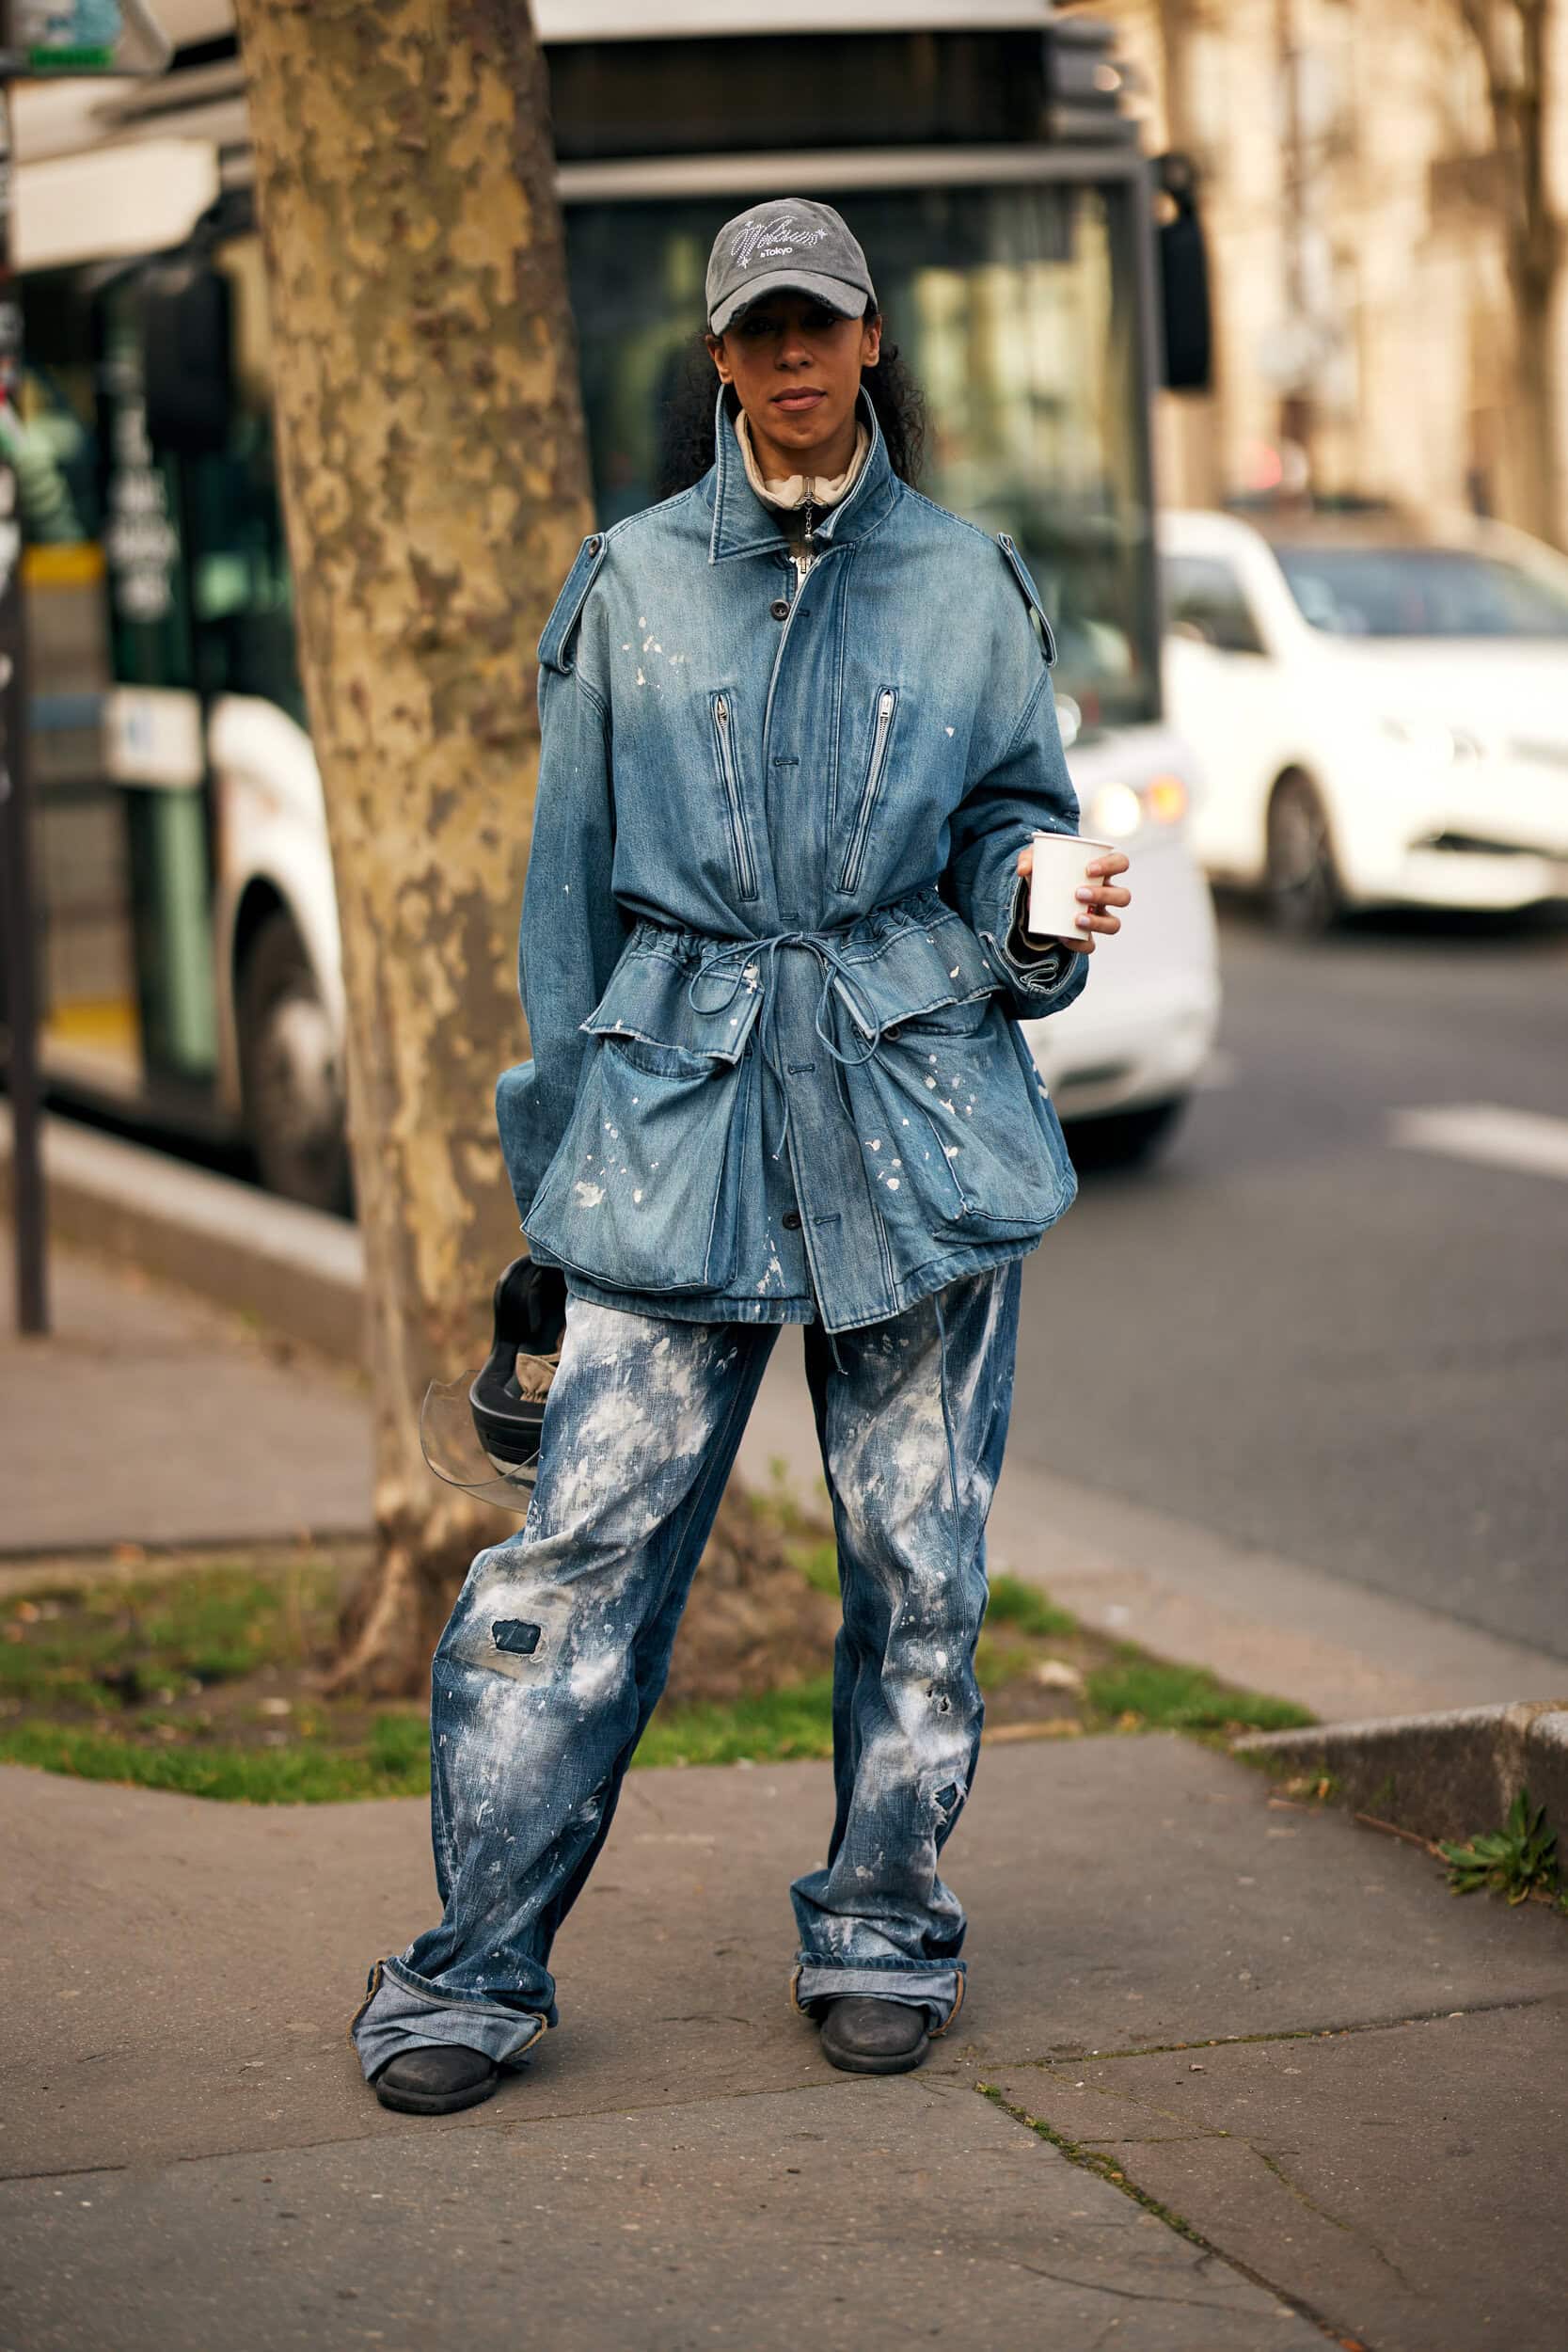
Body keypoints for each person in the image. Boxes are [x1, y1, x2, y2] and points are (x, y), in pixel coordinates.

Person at [353, 198, 1132, 2116]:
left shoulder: (973, 584)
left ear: (873, 343)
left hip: (921, 1128)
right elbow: (562, 925)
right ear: (717, 359)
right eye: (758, 330)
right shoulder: (627, 584)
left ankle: (881, 1919)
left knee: (923, 1559)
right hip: (673, 1134)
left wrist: (1033, 902)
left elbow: (1009, 842)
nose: (792, 358)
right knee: (582, 1553)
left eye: (824, 324)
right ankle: (473, 1961)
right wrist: (553, 1208)